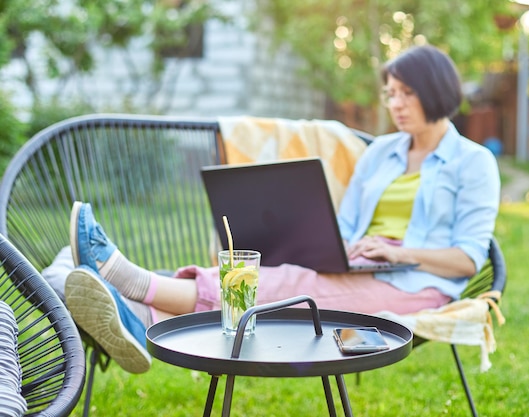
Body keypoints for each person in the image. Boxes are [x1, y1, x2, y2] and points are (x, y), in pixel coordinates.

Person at [64, 44, 500, 374]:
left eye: (407, 93)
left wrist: (400, 253)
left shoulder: (473, 161)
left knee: (286, 285)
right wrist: (333, 248)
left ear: (437, 91)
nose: (396, 104)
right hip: (361, 263)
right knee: (277, 269)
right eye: (390, 94)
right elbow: (347, 224)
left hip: (415, 284)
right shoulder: (382, 152)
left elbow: (467, 257)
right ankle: (138, 316)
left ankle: (132, 287)